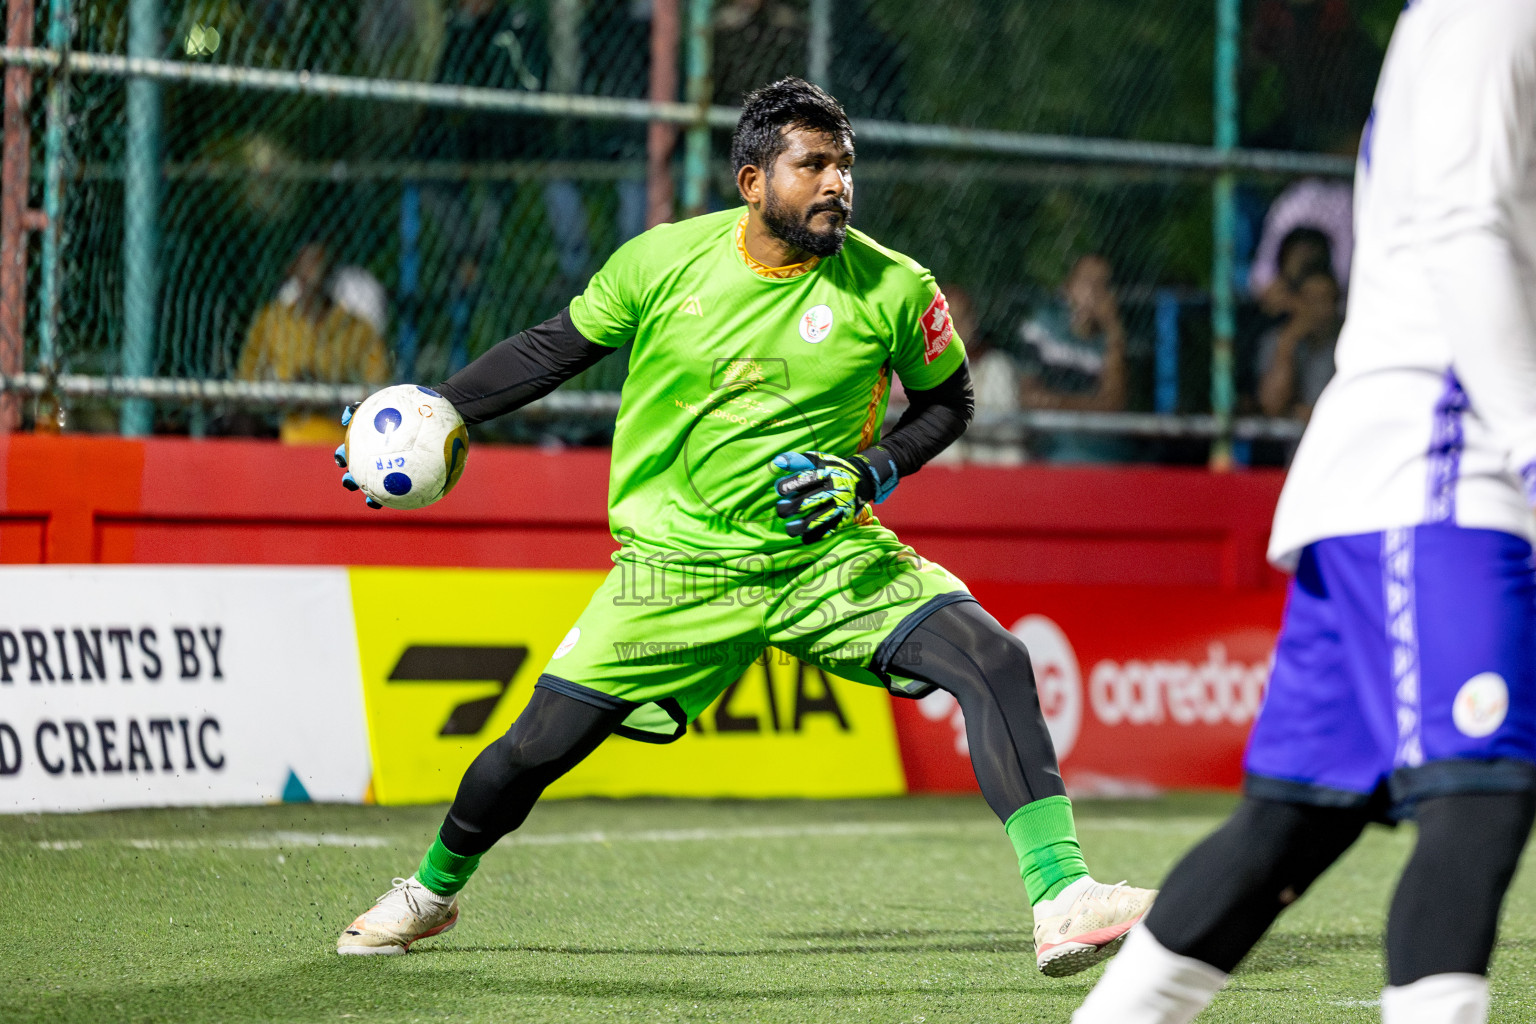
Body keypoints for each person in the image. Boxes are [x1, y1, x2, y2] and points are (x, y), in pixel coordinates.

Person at [333, 78, 1154, 975]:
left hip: (825, 560)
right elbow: (549, 350)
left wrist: (869, 470)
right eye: (813, 165)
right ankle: (430, 889)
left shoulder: (892, 286)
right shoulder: (660, 263)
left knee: (995, 660)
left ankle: (1062, 895)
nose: (837, 182)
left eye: (844, 164)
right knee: (524, 756)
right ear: (752, 181)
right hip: (675, 571)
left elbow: (948, 402)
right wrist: (436, 409)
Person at [1077, 2, 1536, 1021]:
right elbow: (1466, 227)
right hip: (1443, 459)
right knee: (1482, 793)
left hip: (1426, 467)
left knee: (1288, 827)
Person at [236, 243, 390, 444]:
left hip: (339, 434)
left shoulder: (357, 330)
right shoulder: (271, 321)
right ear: (293, 269)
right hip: (282, 431)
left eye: (322, 264)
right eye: (309, 263)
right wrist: (285, 391)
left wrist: (329, 391)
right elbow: (247, 380)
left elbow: (379, 388)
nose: (316, 272)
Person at [1017, 253, 1130, 463]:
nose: (1093, 293)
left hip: (1101, 451)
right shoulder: (1042, 327)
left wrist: (1114, 327)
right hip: (1050, 449)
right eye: (1086, 283)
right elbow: (1029, 396)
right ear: (1068, 288)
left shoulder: (1111, 343)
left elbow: (1114, 403)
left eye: (1102, 285)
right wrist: (1091, 406)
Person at [1256, 269, 1340, 422]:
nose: (1318, 309)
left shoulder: (1349, 343)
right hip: (1288, 444)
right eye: (1310, 300)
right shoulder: (1277, 340)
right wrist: (1288, 342)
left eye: (1326, 300)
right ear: (1295, 302)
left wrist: (1317, 414)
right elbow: (1272, 406)